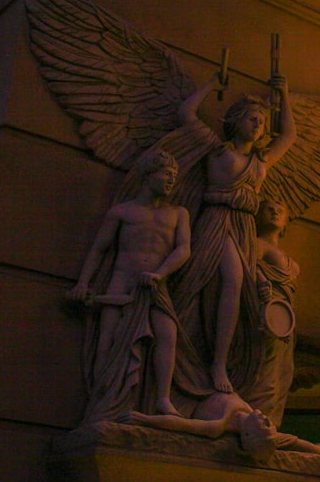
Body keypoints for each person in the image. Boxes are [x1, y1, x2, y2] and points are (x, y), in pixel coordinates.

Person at [171, 71, 296, 395]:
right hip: (216, 221)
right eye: (253, 118)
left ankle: (220, 362)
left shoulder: (261, 160)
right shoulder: (217, 150)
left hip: (242, 225)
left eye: (263, 122)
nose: (258, 125)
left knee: (238, 289)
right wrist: (213, 82)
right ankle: (215, 364)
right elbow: (185, 114)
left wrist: (283, 98)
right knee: (231, 278)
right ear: (236, 120)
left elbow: (288, 137)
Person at [66, 150, 191, 421]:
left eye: (174, 175)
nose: (171, 180)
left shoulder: (178, 214)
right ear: (148, 176)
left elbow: (183, 249)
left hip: (155, 286)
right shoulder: (122, 212)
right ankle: (102, 400)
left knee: (167, 335)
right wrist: (83, 283)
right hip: (120, 286)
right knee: (108, 343)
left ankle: (163, 399)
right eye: (166, 173)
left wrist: (160, 273)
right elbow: (99, 249)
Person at [237, 199, 298, 427]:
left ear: (286, 221)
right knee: (266, 373)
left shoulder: (281, 252)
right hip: (266, 317)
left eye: (280, 210)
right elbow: (246, 267)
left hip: (286, 320)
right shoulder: (256, 244)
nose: (274, 212)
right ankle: (255, 420)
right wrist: (261, 281)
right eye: (269, 209)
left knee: (283, 374)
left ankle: (271, 424)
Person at [118, 390, 320, 457]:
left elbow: (180, 425)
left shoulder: (218, 426)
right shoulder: (262, 430)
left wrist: (145, 420)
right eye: (270, 425)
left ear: (247, 436)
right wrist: (318, 450)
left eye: (264, 426)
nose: (267, 420)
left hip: (195, 390)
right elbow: (293, 442)